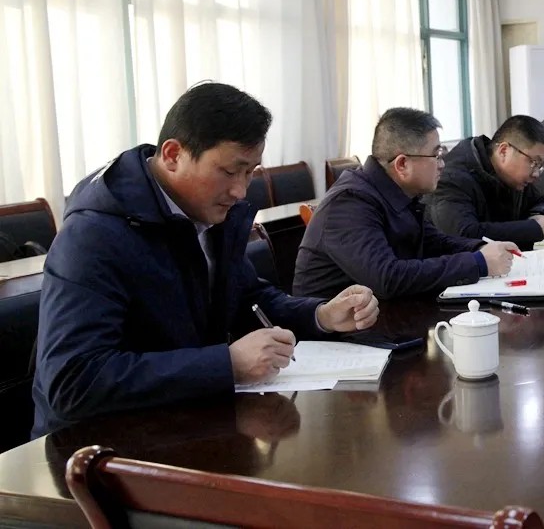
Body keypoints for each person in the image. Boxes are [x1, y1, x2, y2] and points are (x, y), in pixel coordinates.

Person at [32, 83, 379, 437]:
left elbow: (247, 298)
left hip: (184, 421)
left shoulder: (208, 212)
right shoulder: (94, 236)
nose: (240, 191)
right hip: (96, 448)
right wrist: (226, 364)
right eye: (229, 171)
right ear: (172, 155)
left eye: (250, 172)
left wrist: (320, 315)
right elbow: (72, 380)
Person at [293, 108, 517, 300]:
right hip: (338, 332)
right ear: (402, 164)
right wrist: (478, 263)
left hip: (384, 315)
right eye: (436, 155)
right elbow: (387, 278)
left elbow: (433, 242)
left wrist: (480, 248)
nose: (442, 164)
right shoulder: (349, 203)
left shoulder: (399, 191)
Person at [426, 115, 544, 250]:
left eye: (540, 166)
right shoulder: (452, 179)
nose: (536, 173)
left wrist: (537, 215)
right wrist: (535, 229)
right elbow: (463, 234)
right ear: (504, 151)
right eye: (533, 162)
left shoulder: (513, 178)